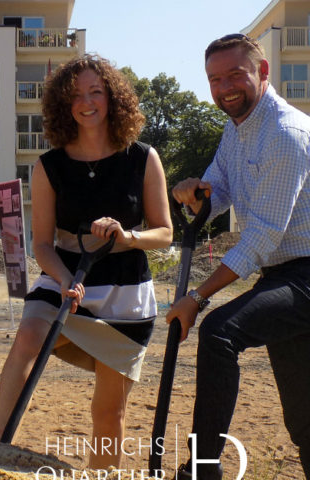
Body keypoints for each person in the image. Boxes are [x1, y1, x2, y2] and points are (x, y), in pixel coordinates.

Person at [0, 54, 173, 469]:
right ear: (63, 104)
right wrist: (63, 279)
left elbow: (164, 232)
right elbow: (42, 244)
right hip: (65, 279)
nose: (86, 102)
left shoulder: (143, 158)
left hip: (126, 294)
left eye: (95, 91)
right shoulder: (48, 166)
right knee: (27, 337)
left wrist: (128, 237)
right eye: (75, 95)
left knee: (108, 413)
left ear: (112, 97)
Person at [169, 34, 310, 480]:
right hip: (283, 276)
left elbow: (262, 235)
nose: (224, 88)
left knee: (219, 332)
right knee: (304, 421)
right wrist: (195, 194)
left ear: (262, 72)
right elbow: (220, 188)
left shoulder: (285, 134)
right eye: (215, 79)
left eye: (235, 75)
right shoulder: (237, 129)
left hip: (305, 275)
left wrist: (197, 297)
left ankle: (202, 468)